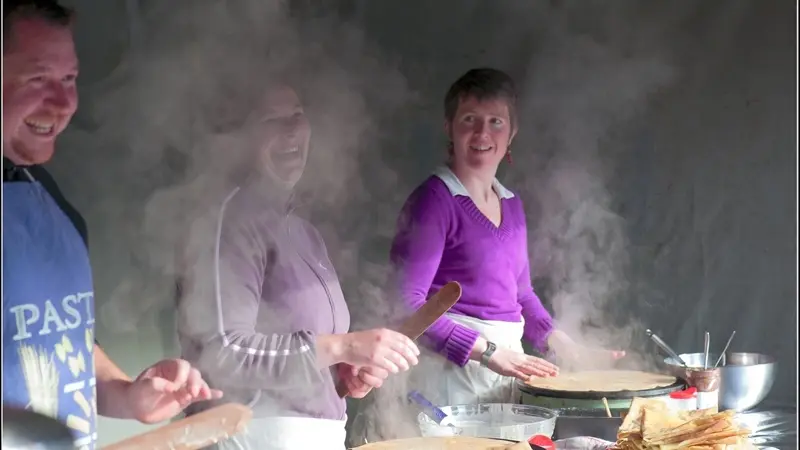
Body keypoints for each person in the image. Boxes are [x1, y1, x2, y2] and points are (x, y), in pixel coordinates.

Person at [2, 2, 221, 448]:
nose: (64, 102)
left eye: (69, 79)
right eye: (38, 78)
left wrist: (129, 395)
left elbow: (68, 344)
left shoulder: (50, 201)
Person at [175, 82, 420, 450]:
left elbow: (304, 357)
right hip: (250, 437)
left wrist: (343, 374)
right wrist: (342, 347)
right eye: (271, 120)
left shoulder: (304, 231)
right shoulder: (231, 222)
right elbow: (220, 354)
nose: (290, 130)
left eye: (297, 116)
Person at [389, 68, 625, 406]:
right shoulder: (433, 202)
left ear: (512, 133)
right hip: (447, 379)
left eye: (496, 121)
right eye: (470, 118)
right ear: (449, 128)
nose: (482, 132)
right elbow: (405, 307)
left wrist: (565, 346)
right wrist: (486, 352)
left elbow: (521, 293)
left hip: (503, 369)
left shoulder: (511, 204)